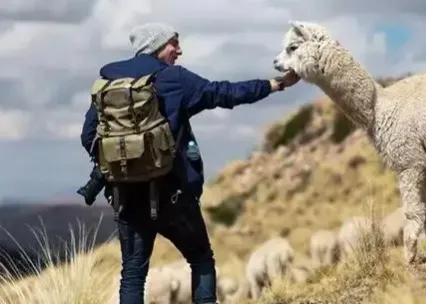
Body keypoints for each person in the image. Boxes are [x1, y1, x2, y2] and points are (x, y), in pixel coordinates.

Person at [80, 23, 300, 304]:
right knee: (201, 259)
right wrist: (276, 84)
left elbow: (89, 136)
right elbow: (224, 93)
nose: (179, 50)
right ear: (156, 45)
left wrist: (123, 165)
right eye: (174, 43)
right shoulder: (175, 79)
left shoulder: (107, 83)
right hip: (174, 195)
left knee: (133, 274)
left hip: (127, 197)